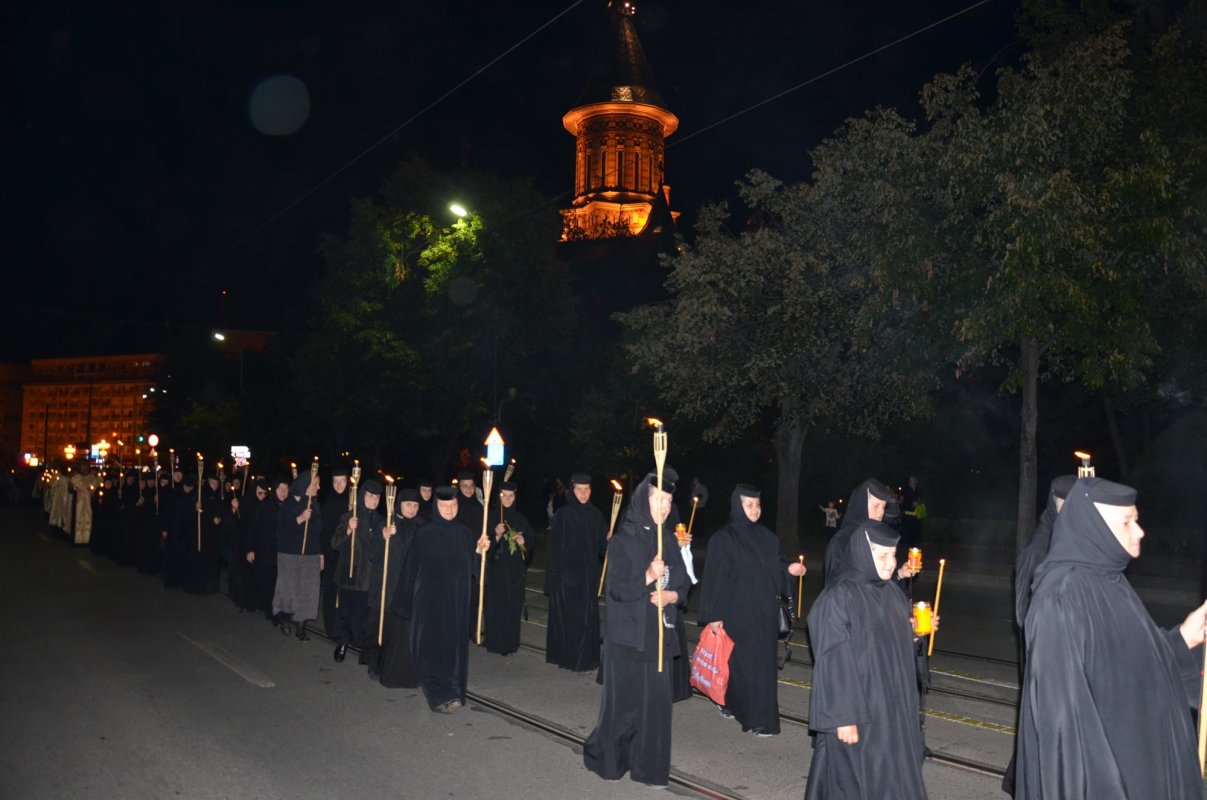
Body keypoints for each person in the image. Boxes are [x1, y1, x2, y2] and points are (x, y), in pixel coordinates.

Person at [1013, 477, 1207, 799]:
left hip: (1134, 757)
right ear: (1097, 529)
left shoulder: (1108, 579)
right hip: (1107, 775)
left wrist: (1184, 636)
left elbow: (1128, 658)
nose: (1140, 531)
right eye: (1128, 522)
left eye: (1137, 520)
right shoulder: (1061, 596)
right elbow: (1062, 725)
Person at [804, 520, 928, 800]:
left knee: (894, 778)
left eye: (893, 554)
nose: (890, 562)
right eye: (882, 555)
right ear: (863, 553)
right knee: (858, 782)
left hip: (892, 710)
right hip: (860, 712)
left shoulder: (893, 594)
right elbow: (833, 660)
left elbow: (892, 646)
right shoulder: (838, 597)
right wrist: (843, 717)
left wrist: (915, 635)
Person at [583, 470, 690, 788]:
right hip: (627, 638)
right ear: (644, 500)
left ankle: (650, 769)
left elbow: (684, 585)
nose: (666, 507)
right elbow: (615, 589)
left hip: (659, 636)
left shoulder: (668, 538)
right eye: (660, 499)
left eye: (670, 501)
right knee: (625, 707)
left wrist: (671, 594)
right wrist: (646, 575)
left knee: (656, 708)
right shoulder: (623, 539)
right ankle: (610, 758)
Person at [697, 484, 806, 735]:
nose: (754, 510)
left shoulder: (767, 538)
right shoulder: (722, 539)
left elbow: (772, 567)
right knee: (740, 667)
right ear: (738, 506)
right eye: (749, 505)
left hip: (764, 613)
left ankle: (760, 717)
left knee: (763, 666)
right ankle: (744, 711)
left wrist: (789, 569)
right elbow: (715, 578)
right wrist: (714, 615)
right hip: (736, 615)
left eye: (757, 505)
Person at [392, 485, 489, 712]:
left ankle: (454, 691)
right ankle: (437, 694)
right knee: (433, 647)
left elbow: (473, 570)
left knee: (454, 648)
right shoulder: (425, 533)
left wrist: (479, 551)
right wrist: (404, 602)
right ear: (436, 506)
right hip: (431, 602)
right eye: (444, 506)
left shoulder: (465, 533)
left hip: (457, 602)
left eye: (453, 505)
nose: (449, 510)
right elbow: (410, 568)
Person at [545, 472, 605, 671]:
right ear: (572, 491)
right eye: (579, 489)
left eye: (586, 489)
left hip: (589, 576)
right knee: (571, 621)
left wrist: (610, 542)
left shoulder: (596, 514)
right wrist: (553, 580)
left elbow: (602, 547)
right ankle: (571, 659)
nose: (583, 493)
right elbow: (554, 549)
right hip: (568, 578)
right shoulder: (563, 515)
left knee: (588, 620)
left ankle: (588, 659)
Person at [330, 479, 384, 664]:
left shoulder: (380, 520)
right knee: (346, 610)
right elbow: (334, 543)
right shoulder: (350, 516)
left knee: (364, 614)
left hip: (369, 575)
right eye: (370, 496)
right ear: (362, 496)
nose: (374, 500)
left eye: (377, 497)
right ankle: (343, 642)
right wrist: (348, 530)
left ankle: (364, 646)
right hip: (350, 571)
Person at [823, 479, 917, 584]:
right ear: (861, 504)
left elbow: (879, 583)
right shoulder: (841, 541)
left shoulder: (880, 537)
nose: (881, 511)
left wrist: (899, 574)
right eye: (876, 505)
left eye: (883, 506)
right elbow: (835, 587)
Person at [371, 488, 420, 687]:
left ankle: (404, 671)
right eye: (408, 504)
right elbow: (373, 556)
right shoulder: (385, 524)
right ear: (399, 504)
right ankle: (379, 666)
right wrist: (383, 538)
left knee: (405, 635)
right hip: (388, 587)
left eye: (416, 505)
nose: (412, 509)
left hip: (409, 588)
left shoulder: (419, 527)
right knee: (385, 629)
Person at [484, 480, 536, 655]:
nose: (507, 499)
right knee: (495, 606)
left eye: (511, 496)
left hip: (514, 571)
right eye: (504, 496)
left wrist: (523, 542)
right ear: (499, 497)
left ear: (515, 497)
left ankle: (510, 642)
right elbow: (482, 546)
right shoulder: (491, 516)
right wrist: (496, 536)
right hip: (496, 571)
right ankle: (494, 642)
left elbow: (530, 540)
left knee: (512, 606)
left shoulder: (520, 518)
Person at [274, 472, 323, 642]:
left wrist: (321, 555)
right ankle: (285, 617)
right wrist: (300, 518)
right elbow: (282, 530)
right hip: (289, 553)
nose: (318, 487)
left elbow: (318, 533)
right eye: (316, 484)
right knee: (289, 590)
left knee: (308, 592)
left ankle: (301, 628)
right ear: (305, 485)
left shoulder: (314, 505)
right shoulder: (288, 504)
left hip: (310, 554)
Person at [319, 463, 350, 638]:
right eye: (336, 482)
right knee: (331, 591)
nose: (339, 485)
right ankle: (331, 627)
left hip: (347, 556)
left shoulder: (352, 503)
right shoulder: (326, 504)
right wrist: (321, 554)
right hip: (330, 555)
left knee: (345, 592)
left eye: (342, 481)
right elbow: (322, 532)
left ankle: (344, 628)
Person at [245, 476, 283, 620]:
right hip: (265, 551)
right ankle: (269, 610)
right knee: (266, 583)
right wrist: (250, 549)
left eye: (286, 489)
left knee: (276, 584)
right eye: (281, 489)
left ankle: (274, 609)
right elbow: (254, 529)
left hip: (280, 553)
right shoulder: (265, 507)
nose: (284, 492)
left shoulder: (288, 507)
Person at [183, 468, 224, 594]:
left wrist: (219, 519)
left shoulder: (217, 496)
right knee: (199, 560)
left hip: (212, 536)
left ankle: (210, 587)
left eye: (217, 483)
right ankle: (197, 586)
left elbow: (221, 512)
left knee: (211, 561)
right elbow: (190, 514)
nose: (215, 486)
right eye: (213, 483)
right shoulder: (200, 494)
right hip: (200, 535)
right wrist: (196, 508)